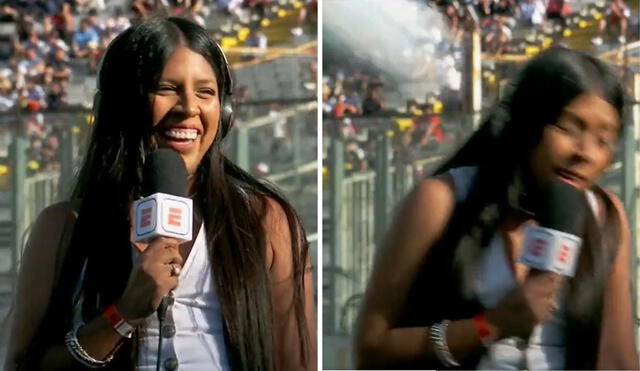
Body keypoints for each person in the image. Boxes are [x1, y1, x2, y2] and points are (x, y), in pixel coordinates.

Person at [3, 17, 315, 371]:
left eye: (205, 92)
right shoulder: (61, 228)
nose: (188, 108)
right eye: (166, 88)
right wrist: (122, 315)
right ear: (123, 105)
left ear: (224, 111)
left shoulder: (265, 220)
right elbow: (20, 364)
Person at [354, 47, 639, 369]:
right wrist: (490, 326)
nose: (585, 153)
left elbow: (618, 358)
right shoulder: (440, 201)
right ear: (528, 123)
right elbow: (371, 345)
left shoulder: (605, 216)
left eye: (603, 140)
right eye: (569, 128)